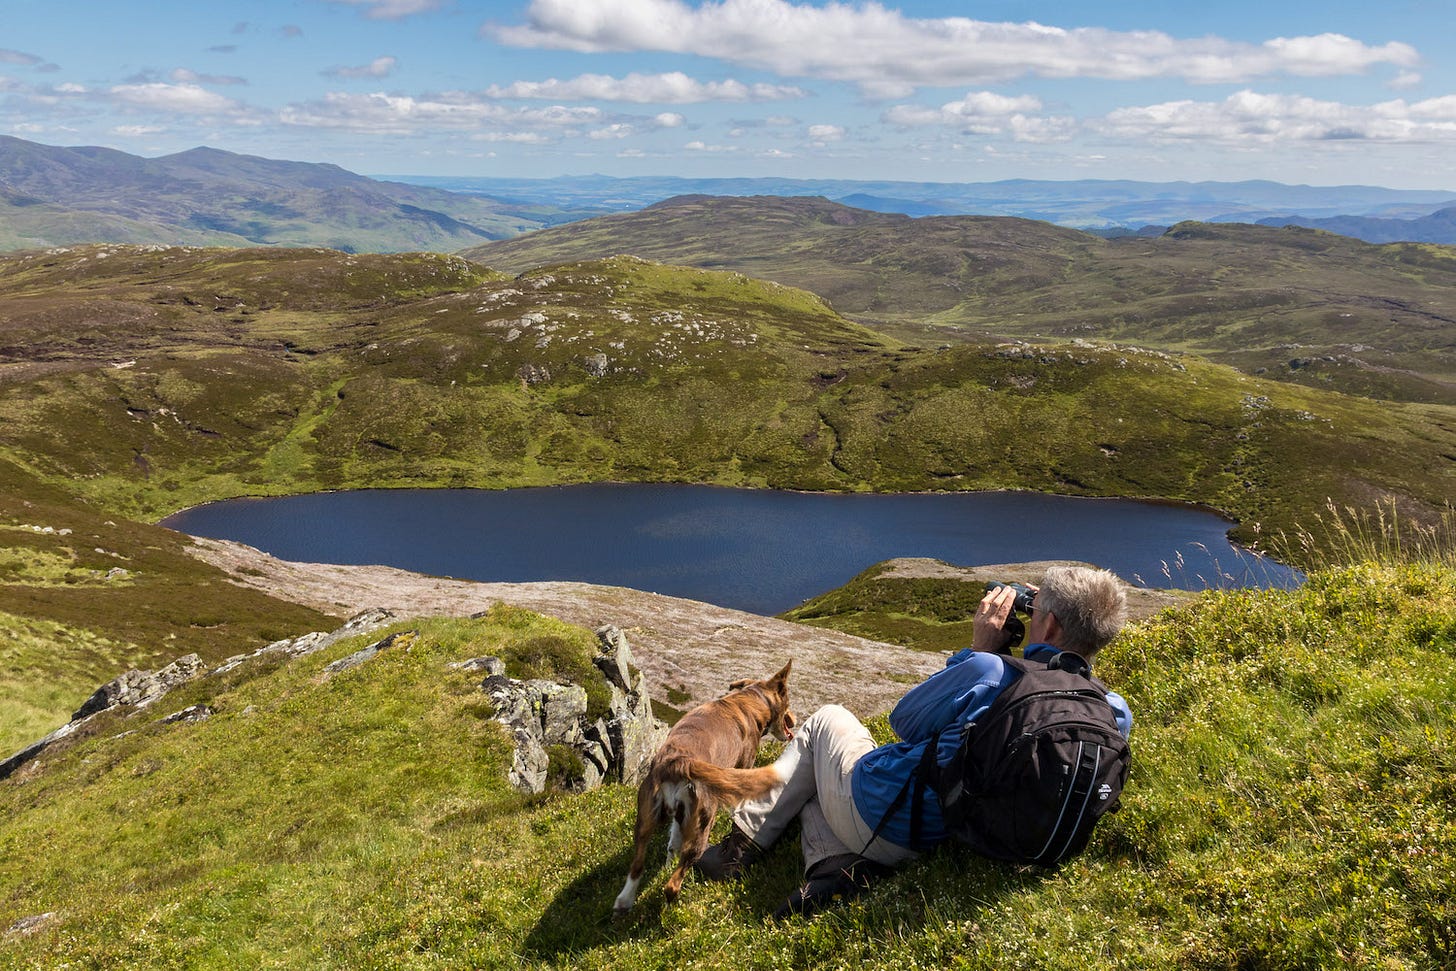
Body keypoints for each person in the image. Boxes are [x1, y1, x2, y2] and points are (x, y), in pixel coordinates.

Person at [694, 564, 1133, 917]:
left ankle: (739, 848)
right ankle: (833, 869)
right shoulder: (1114, 711)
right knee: (815, 794)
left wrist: (983, 649)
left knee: (826, 721)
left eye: (1036, 611)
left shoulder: (990, 672)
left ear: (1049, 625)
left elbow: (905, 721)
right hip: (969, 831)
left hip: (894, 818)